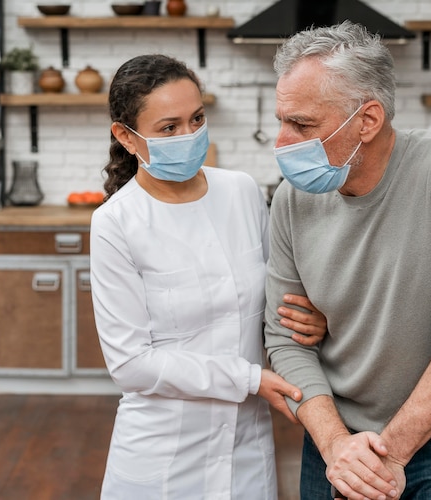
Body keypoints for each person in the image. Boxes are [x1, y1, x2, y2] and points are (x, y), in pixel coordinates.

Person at [264, 21, 431, 500]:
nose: (282, 143)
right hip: (338, 440)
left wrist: (389, 456)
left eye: (302, 125)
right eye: (281, 122)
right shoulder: (292, 198)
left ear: (367, 120)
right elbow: (285, 340)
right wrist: (337, 446)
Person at [90, 54, 327, 500]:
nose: (189, 136)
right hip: (161, 455)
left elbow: (276, 300)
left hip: (246, 449)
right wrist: (249, 379)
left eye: (197, 119)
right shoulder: (116, 223)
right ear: (126, 136)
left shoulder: (241, 191)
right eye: (168, 128)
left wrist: (310, 320)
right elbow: (131, 363)